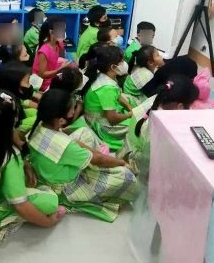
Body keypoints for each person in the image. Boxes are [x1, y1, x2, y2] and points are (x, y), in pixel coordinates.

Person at [27, 89, 137, 222]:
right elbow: (99, 160)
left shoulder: (38, 125)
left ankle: (92, 160)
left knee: (84, 132)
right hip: (65, 187)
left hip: (51, 167)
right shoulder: (65, 146)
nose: (74, 112)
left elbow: (78, 146)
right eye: (72, 110)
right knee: (127, 176)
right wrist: (121, 162)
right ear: (61, 120)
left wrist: (91, 153)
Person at [0, 89, 61, 244]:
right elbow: (20, 205)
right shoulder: (9, 156)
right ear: (12, 121)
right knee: (51, 200)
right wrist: (48, 223)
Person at [127, 74, 198, 181]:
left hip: (130, 144)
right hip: (142, 161)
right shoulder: (164, 129)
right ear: (180, 107)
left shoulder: (158, 99)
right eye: (190, 105)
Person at [82, 45, 134, 152]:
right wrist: (130, 114)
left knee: (131, 102)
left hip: (103, 114)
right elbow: (112, 119)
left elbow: (118, 95)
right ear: (113, 67)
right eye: (122, 61)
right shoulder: (107, 88)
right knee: (135, 126)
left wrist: (130, 107)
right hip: (102, 126)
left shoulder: (104, 75)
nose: (124, 64)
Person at [32, 18, 70, 92]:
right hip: (42, 83)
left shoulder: (58, 43)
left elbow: (60, 56)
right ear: (51, 32)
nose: (64, 33)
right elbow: (42, 75)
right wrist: (60, 68)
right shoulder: (44, 51)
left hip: (52, 74)